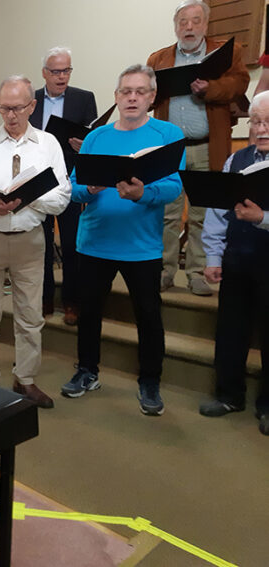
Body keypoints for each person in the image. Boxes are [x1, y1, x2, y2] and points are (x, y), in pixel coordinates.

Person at [61, 65, 185, 416]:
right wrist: (92, 186)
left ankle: (150, 380)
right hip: (94, 241)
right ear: (116, 98)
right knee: (89, 313)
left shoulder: (168, 134)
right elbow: (74, 187)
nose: (132, 97)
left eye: (140, 91)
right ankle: (87, 371)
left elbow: (174, 186)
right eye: (125, 91)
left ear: (151, 97)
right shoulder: (98, 137)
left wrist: (143, 192)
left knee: (148, 316)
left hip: (141, 246)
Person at [0, 75, 71, 409]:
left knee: (30, 316)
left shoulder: (49, 145)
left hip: (29, 240)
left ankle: (25, 380)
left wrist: (29, 199)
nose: (11, 116)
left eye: (19, 108)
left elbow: (62, 197)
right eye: (5, 109)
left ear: (32, 106)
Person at [147, 0, 249, 297]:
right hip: (169, 150)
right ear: (176, 26)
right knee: (167, 212)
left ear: (206, 24)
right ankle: (165, 270)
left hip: (208, 146)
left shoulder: (227, 53)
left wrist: (210, 89)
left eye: (195, 21)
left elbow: (240, 83)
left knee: (204, 213)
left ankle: (197, 273)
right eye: (183, 22)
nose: (188, 27)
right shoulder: (159, 58)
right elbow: (148, 95)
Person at [199, 91, 269, 435]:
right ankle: (229, 395)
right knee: (230, 331)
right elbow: (217, 212)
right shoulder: (235, 161)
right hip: (238, 259)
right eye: (256, 121)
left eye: (268, 122)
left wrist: (263, 218)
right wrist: (213, 255)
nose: (261, 128)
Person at [29, 46, 98, 325]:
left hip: (70, 179)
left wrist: (84, 146)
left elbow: (92, 139)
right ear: (45, 73)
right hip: (37, 180)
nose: (62, 76)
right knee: (40, 244)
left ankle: (71, 301)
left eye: (66, 70)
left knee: (71, 244)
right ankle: (44, 299)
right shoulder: (31, 100)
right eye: (56, 71)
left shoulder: (84, 99)